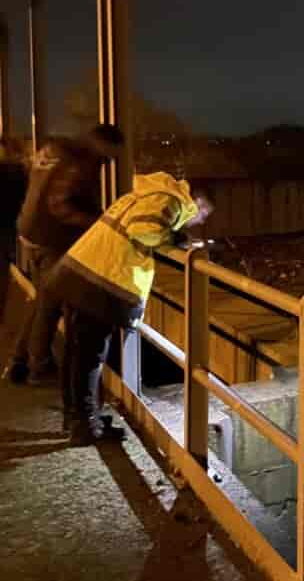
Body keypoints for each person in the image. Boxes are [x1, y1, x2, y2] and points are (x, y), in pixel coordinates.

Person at [43, 171, 211, 443]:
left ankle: (78, 417)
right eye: (203, 214)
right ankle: (85, 425)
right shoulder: (171, 201)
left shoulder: (144, 194)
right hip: (98, 282)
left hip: (81, 272)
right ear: (198, 204)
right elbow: (143, 230)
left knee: (77, 353)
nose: (200, 220)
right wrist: (175, 240)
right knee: (89, 357)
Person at [3, 125, 125, 385]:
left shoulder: (56, 150)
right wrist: (101, 223)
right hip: (52, 238)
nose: (111, 161)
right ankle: (39, 367)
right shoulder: (79, 162)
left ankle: (18, 362)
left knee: (42, 298)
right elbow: (61, 204)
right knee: (51, 304)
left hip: (30, 230)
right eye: (112, 154)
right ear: (102, 144)